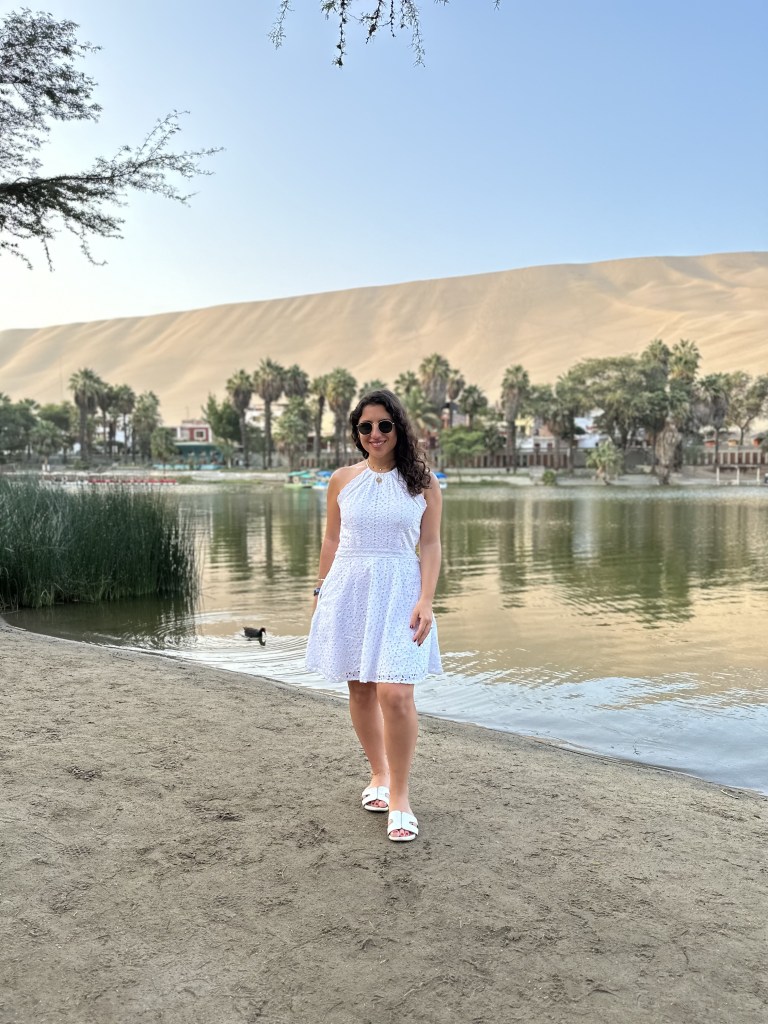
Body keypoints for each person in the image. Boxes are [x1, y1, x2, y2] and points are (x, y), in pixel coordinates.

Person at [305, 389, 442, 842]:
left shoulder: (423, 482)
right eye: (366, 426)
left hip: (402, 591)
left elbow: (430, 544)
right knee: (361, 688)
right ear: (356, 432)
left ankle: (400, 797)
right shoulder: (342, 479)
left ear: (398, 428)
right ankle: (378, 774)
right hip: (350, 589)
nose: (375, 433)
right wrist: (321, 588)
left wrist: (427, 599)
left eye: (384, 425)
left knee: (396, 693)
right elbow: (331, 539)